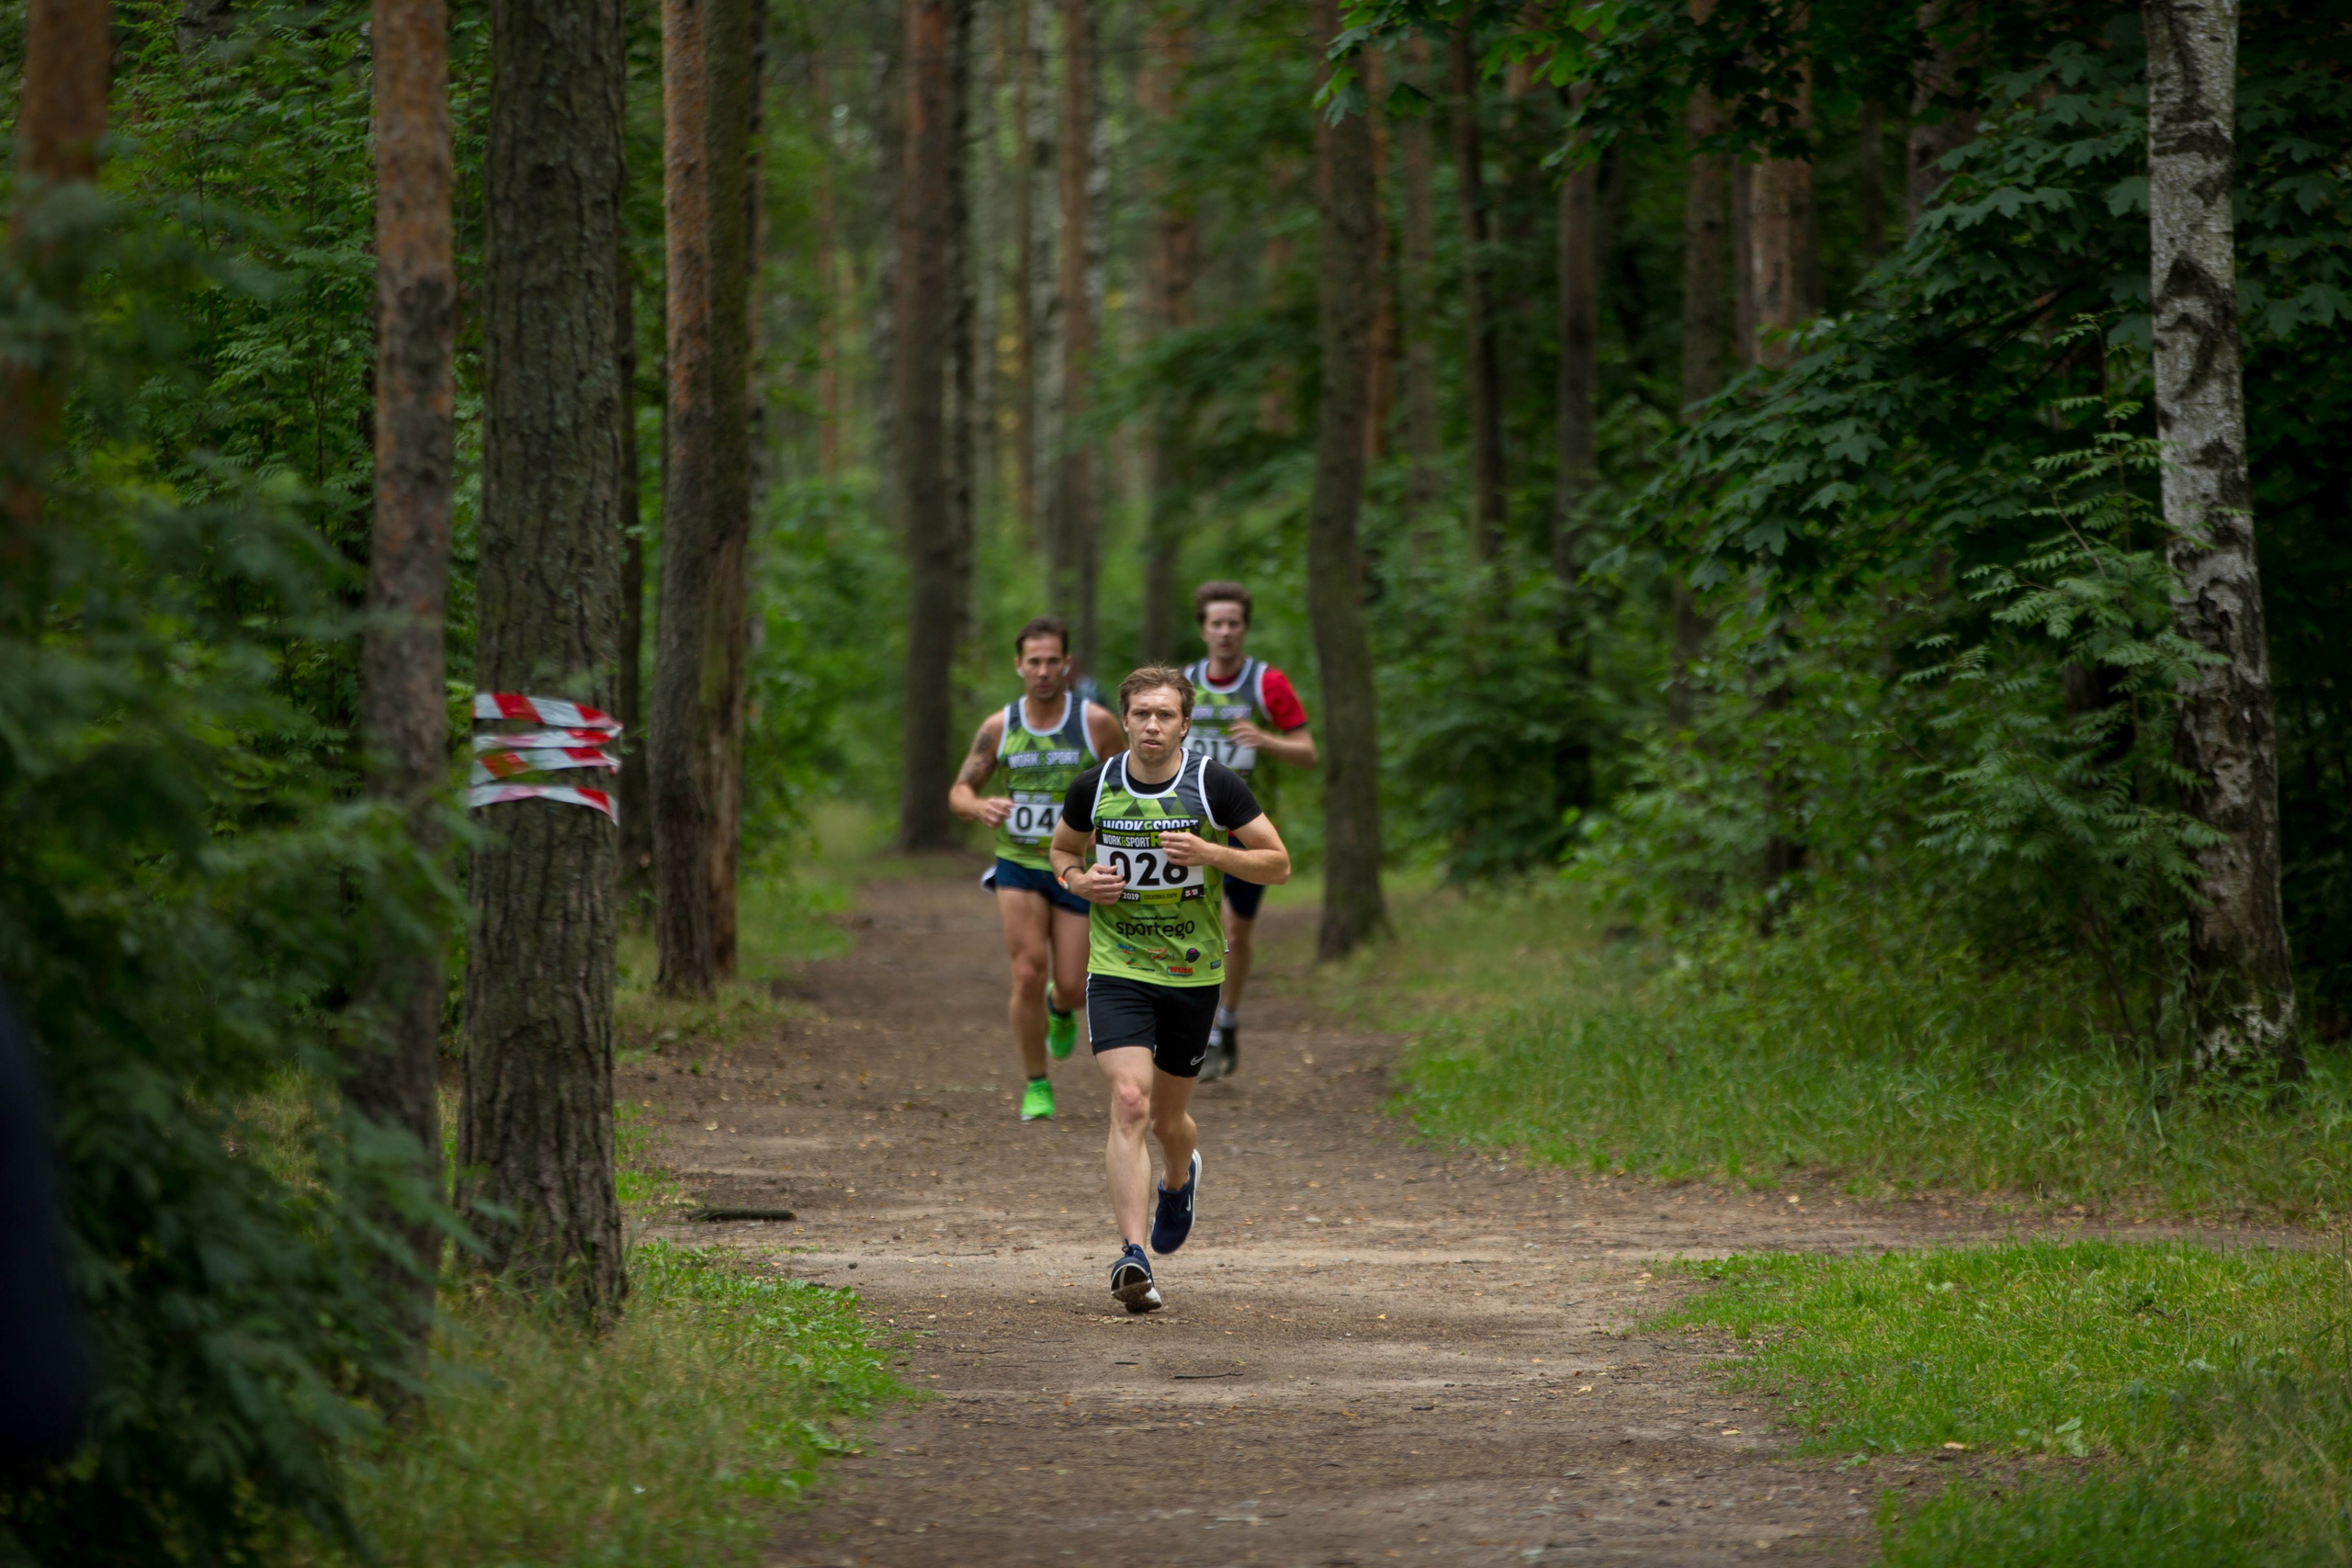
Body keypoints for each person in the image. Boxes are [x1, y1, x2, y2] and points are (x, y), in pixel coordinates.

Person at [1050, 667, 1291, 1313]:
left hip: (1192, 970)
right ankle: (1133, 1256)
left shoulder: (1213, 785)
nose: (1152, 725)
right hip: (1119, 964)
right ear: (1124, 720)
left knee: (1167, 1119)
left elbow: (1278, 861)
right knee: (1130, 1100)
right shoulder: (1093, 785)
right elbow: (1062, 851)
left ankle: (1180, 1179)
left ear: (1184, 723)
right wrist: (1079, 882)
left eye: (1164, 715)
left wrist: (1213, 854)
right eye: (1141, 714)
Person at [948, 616, 1124, 1122]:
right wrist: (977, 807)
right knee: (1026, 972)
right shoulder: (999, 728)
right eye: (1034, 662)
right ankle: (1036, 1082)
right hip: (1019, 863)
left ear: (1067, 664)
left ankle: (1061, 1007)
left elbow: (1125, 784)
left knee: (1071, 984)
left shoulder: (1095, 723)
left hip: (1073, 867)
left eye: (1053, 661)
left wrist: (1103, 825)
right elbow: (959, 791)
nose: (1043, 671)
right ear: (1018, 665)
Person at [1180, 581, 1317, 1080]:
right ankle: (1195, 1027)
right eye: (1216, 623)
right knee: (1195, 927)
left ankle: (1226, 1022)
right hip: (1192, 829)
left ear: (1245, 628)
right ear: (1203, 629)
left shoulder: (1267, 684)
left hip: (1249, 832)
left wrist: (1266, 740)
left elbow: (1308, 752)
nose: (1225, 632)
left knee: (1235, 930)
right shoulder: (1184, 684)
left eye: (1234, 623)